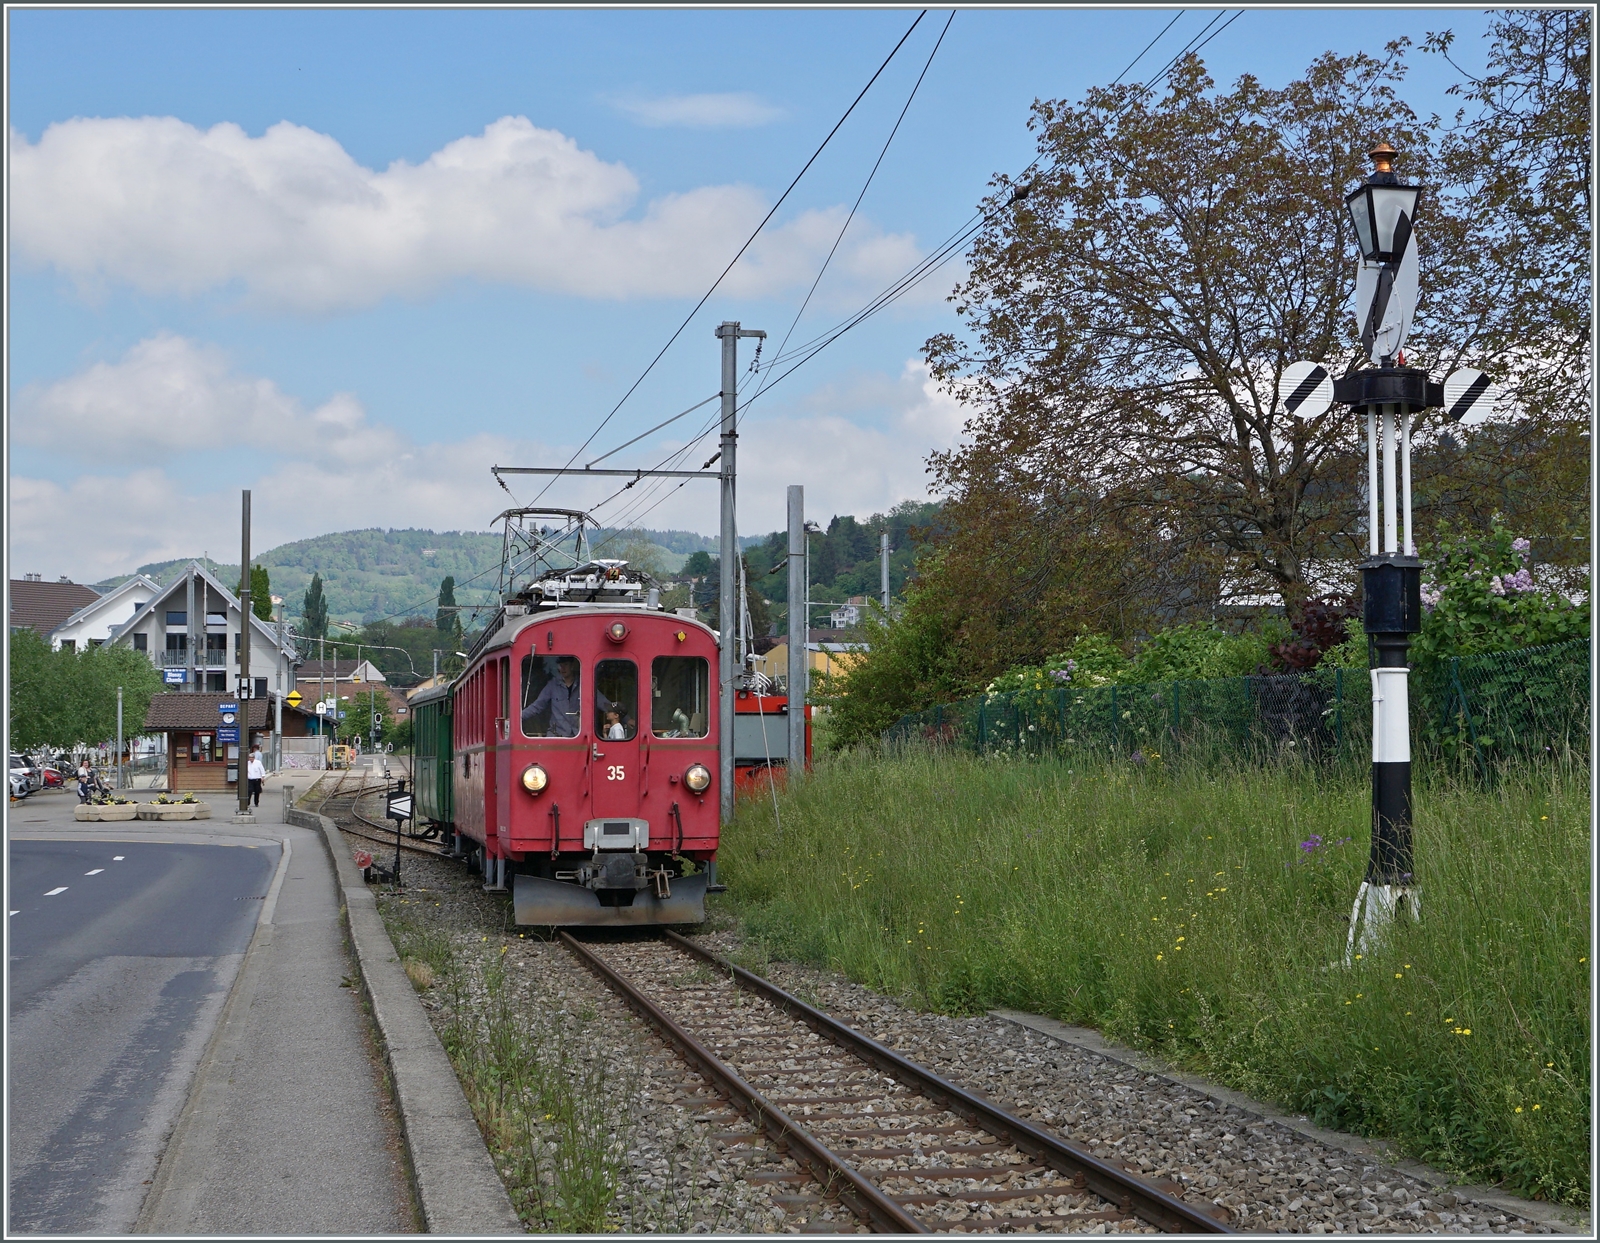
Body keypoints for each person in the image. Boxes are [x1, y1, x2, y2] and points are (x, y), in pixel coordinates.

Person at [521, 657, 613, 738]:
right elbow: (537, 705)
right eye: (560, 665)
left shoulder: (584, 684)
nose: (562, 668)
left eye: (565, 665)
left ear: (572, 666)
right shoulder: (552, 685)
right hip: (556, 736)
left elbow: (603, 702)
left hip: (579, 736)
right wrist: (517, 717)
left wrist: (625, 718)